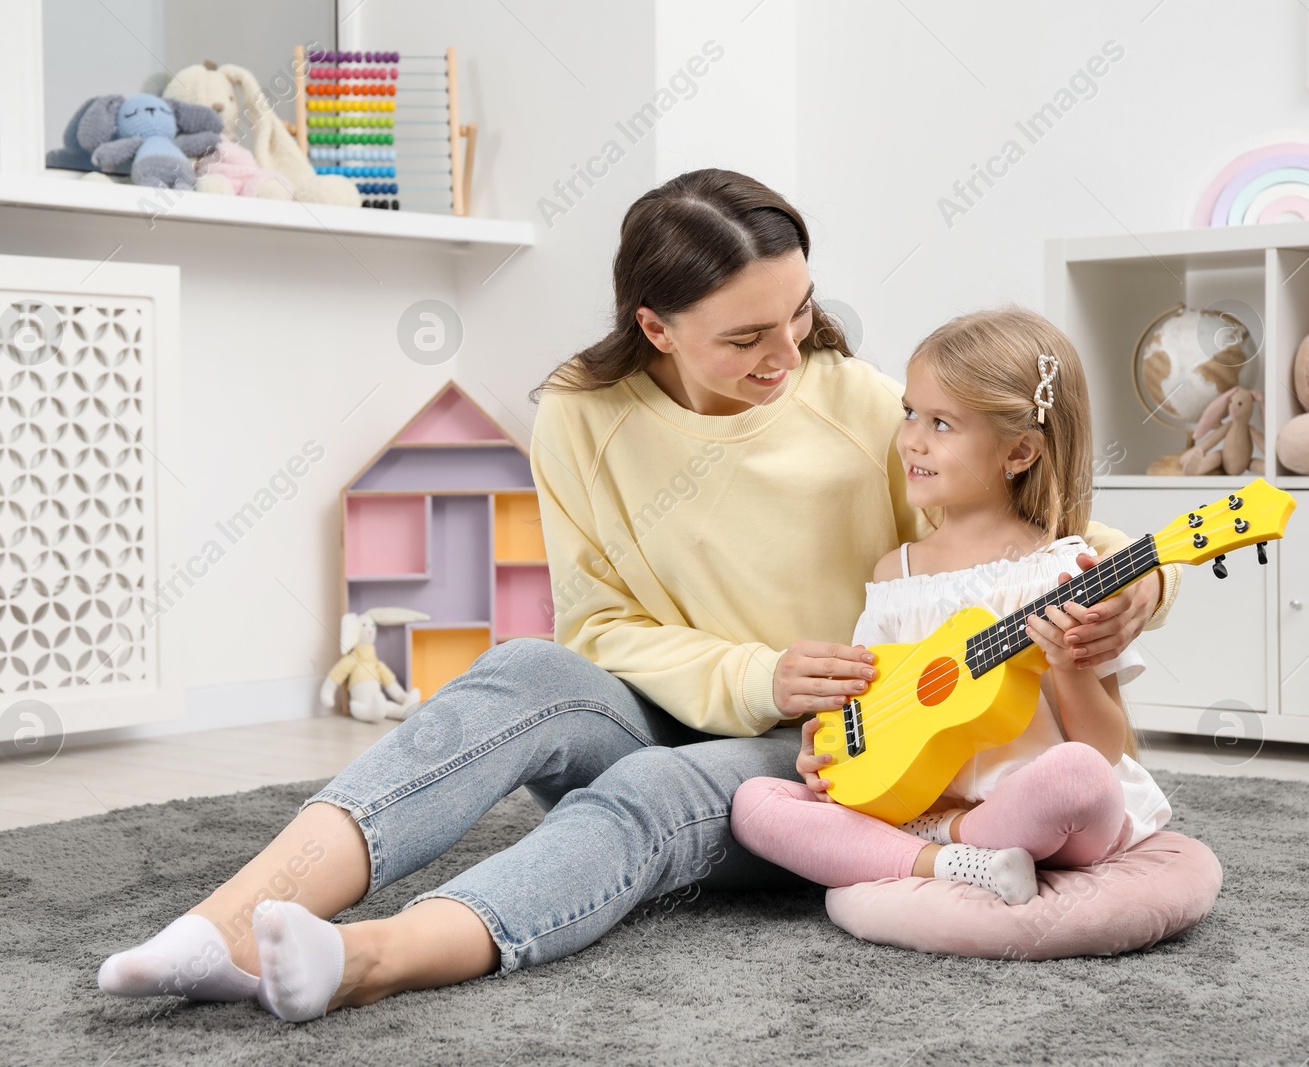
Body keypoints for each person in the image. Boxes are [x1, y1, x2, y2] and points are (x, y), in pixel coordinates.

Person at [94, 170, 1179, 1021]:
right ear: (655, 327)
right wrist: (754, 671)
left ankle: (376, 957)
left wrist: (1147, 583)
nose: (786, 354)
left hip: (833, 749)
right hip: (682, 697)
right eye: (746, 337)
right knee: (520, 671)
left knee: (658, 791)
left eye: (797, 315)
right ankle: (223, 923)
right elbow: (600, 623)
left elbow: (1038, 528)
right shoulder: (582, 411)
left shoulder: (855, 399)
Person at [730, 307, 1172, 908]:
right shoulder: (897, 574)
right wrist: (826, 746)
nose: (912, 437)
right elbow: (869, 701)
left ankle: (934, 851)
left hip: (1034, 807)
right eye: (910, 412)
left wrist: (1067, 666)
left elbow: (1103, 749)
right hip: (915, 804)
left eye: (942, 423)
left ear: (1019, 453)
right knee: (757, 804)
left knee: (1080, 779)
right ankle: (957, 858)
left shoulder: (1061, 572)